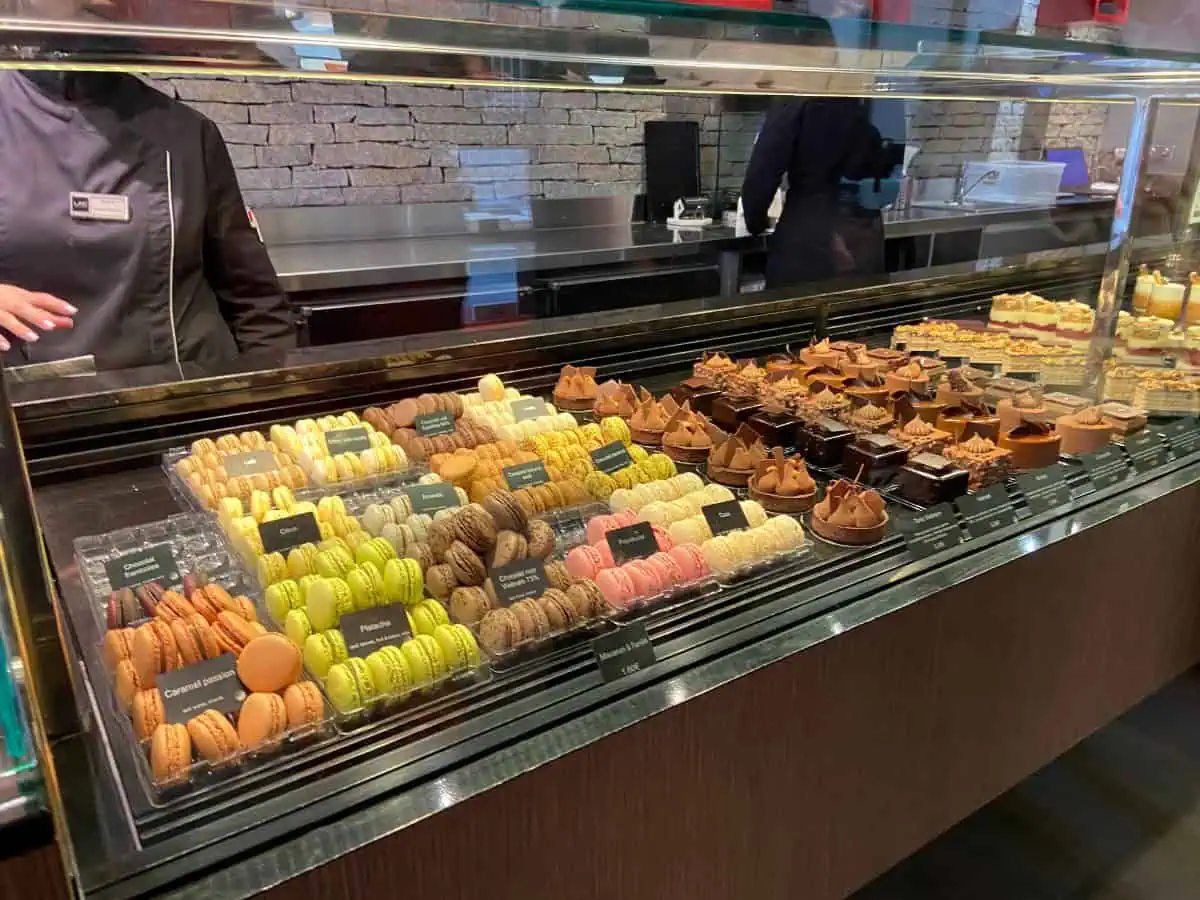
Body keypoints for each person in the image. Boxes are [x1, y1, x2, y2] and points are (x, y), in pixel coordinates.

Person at [0, 69, 294, 371]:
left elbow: (253, 298)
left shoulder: (187, 132)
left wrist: (272, 392)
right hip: (30, 402)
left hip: (185, 395)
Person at [740, 95, 895, 289]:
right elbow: (881, 161)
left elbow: (765, 167)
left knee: (796, 311)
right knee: (856, 313)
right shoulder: (865, 96)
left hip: (809, 230)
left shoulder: (798, 93)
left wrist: (755, 221)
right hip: (864, 230)